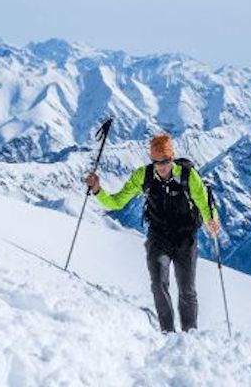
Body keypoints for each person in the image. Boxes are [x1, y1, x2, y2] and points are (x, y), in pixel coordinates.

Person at [86, 132, 220, 333]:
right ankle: (167, 331)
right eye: (157, 162)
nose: (162, 166)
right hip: (158, 237)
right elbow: (116, 202)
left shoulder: (187, 176)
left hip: (185, 238)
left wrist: (212, 220)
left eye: (165, 161)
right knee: (158, 283)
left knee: (187, 290)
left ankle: (190, 335)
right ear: (151, 160)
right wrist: (97, 190)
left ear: (172, 158)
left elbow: (203, 201)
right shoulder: (143, 176)